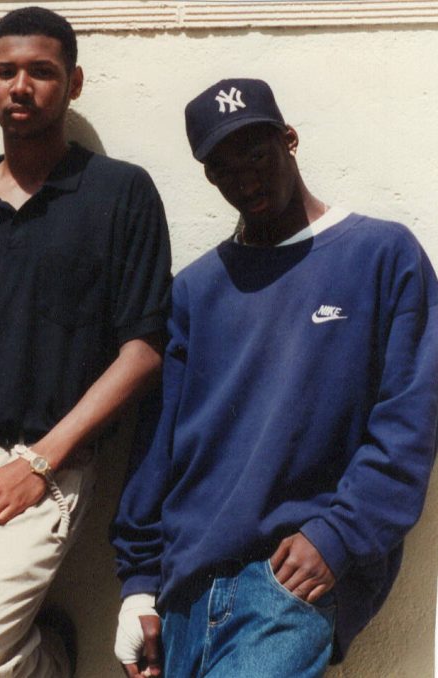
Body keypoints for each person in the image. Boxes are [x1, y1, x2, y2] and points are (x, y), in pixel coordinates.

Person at [111, 77, 438, 678]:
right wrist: (138, 585)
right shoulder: (194, 291)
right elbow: (157, 448)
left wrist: (339, 536)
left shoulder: (382, 255)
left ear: (290, 140)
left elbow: (410, 420)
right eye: (223, 168)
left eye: (257, 155)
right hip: (182, 592)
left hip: (286, 583)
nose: (245, 180)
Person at [0, 7, 172, 677]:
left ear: (73, 83)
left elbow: (144, 350)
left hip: (43, 467)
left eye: (41, 72)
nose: (21, 86)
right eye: (5, 71)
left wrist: (42, 461)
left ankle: (49, 661)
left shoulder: (119, 193)